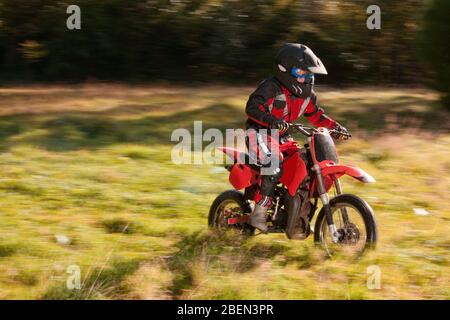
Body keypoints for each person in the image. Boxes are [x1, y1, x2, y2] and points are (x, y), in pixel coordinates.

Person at [245, 43, 350, 232]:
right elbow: (252, 108)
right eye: (302, 74)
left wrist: (335, 127)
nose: (307, 78)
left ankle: (298, 215)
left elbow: (316, 116)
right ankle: (258, 213)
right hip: (259, 133)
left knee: (305, 165)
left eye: (309, 75)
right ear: (285, 70)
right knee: (273, 163)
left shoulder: (307, 96)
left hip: (282, 137)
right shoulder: (271, 87)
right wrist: (271, 121)